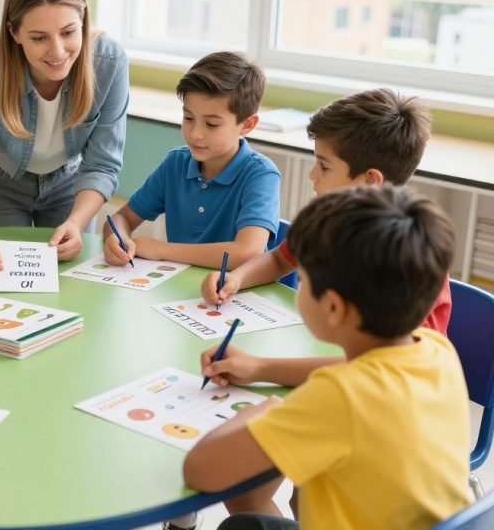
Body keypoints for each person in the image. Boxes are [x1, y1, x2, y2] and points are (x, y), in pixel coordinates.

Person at [185, 185, 470, 530]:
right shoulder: (434, 349)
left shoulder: (338, 399)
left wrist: (266, 411)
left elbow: (200, 470)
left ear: (333, 307)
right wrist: (261, 367)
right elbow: (358, 372)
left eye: (301, 279)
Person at [200, 88, 450, 334]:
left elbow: (391, 359)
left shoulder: (410, 254)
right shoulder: (328, 222)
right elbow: (279, 260)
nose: (312, 175)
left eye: (324, 165)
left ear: (370, 180)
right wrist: (237, 278)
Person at [0, 0, 129, 275]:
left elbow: (102, 163)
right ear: (14, 33)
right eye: (39, 38)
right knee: (4, 279)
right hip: (3, 186)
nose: (58, 51)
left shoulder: (110, 61)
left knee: (69, 280)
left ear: (84, 20)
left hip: (69, 186)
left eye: (68, 32)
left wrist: (77, 222)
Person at [104, 51, 279, 269]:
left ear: (247, 125)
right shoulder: (175, 164)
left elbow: (247, 252)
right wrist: (117, 239)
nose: (195, 134)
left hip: (231, 295)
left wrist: (163, 250)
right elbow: (123, 218)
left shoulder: (261, 174)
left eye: (212, 124)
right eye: (188, 118)